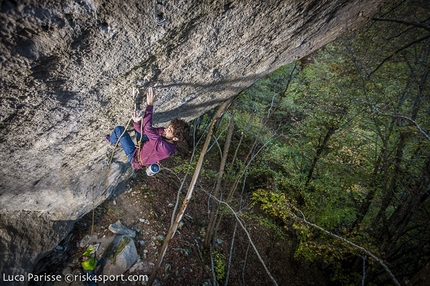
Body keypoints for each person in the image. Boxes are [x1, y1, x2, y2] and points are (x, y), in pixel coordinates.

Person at [105, 86, 190, 170]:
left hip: (135, 158)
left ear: (175, 138)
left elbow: (148, 129)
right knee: (141, 120)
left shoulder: (165, 149)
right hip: (144, 145)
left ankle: (112, 141)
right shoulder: (165, 134)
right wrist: (137, 122)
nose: (166, 129)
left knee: (119, 130)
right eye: (168, 127)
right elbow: (144, 131)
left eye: (170, 130)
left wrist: (150, 105)